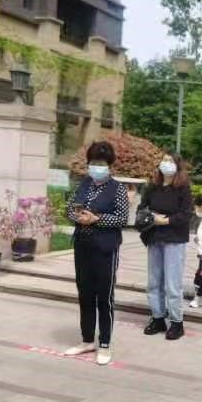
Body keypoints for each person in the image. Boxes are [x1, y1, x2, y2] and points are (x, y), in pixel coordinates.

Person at [64, 141, 129, 365]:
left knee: (104, 297)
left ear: (109, 166)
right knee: (85, 294)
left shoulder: (117, 189)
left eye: (101, 164)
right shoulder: (83, 184)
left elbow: (122, 218)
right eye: (93, 163)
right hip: (83, 246)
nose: (96, 167)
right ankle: (87, 340)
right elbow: (69, 208)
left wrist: (97, 218)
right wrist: (78, 217)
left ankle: (105, 343)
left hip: (105, 249)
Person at [140, 152, 193, 341]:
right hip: (154, 237)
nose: (166, 163)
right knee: (154, 282)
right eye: (164, 160)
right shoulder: (152, 187)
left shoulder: (183, 188)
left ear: (177, 166)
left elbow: (186, 214)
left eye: (170, 161)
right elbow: (142, 208)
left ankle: (177, 322)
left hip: (174, 239)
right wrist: (150, 217)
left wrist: (166, 221)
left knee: (172, 284)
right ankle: (158, 318)